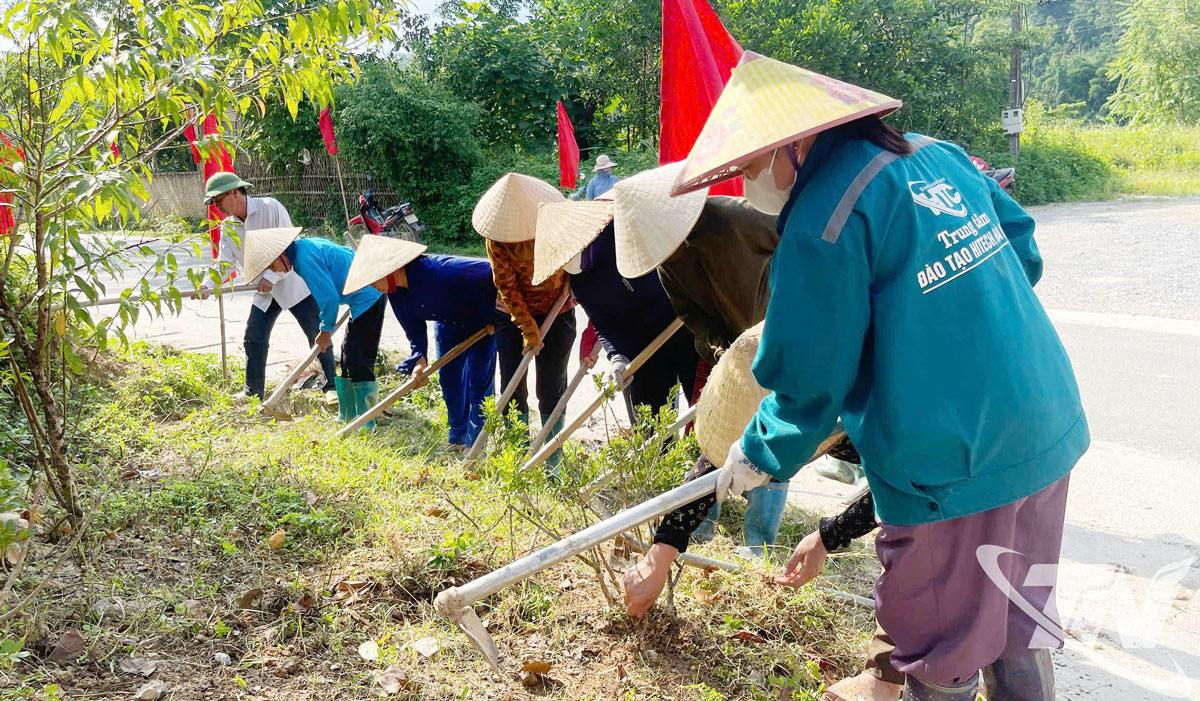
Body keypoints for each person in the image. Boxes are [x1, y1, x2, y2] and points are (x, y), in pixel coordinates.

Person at [674, 52, 1088, 700]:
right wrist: (950, 322)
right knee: (1019, 616)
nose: (749, 181)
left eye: (750, 164)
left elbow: (810, 376)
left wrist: (756, 454)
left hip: (953, 458)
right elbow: (1023, 253)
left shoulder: (823, 219)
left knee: (940, 650)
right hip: (1044, 420)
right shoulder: (939, 155)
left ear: (794, 144)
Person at [610, 162, 790, 556]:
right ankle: (700, 526)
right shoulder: (668, 264)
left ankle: (759, 541)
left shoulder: (736, 217)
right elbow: (692, 314)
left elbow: (800, 245)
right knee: (714, 430)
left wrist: (784, 312)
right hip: (730, 348)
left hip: (779, 335)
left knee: (775, 434)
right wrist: (722, 350)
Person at [533, 200, 698, 418]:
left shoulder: (620, 235)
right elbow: (603, 325)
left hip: (684, 326)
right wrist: (617, 356)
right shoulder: (580, 283)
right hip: (642, 349)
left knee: (705, 411)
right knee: (650, 425)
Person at [342, 235, 507, 449]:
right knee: (449, 381)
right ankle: (458, 439)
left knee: (479, 383)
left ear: (390, 271)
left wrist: (497, 314)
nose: (374, 287)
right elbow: (415, 330)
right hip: (448, 325)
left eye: (374, 281)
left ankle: (476, 445)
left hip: (482, 324)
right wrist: (420, 359)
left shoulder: (440, 271)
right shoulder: (396, 294)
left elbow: (492, 273)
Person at [200, 172, 336, 402]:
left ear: (234, 193)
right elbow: (224, 263)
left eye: (218, 200)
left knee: (317, 333)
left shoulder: (270, 208)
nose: (217, 207)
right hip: (265, 291)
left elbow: (289, 247)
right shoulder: (228, 227)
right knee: (254, 337)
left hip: (294, 283)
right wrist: (207, 284)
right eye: (213, 202)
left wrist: (272, 276)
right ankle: (252, 392)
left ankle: (331, 386)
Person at [473, 173, 577, 463]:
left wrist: (575, 286)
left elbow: (577, 260)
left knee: (551, 386)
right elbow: (506, 286)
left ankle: (551, 458)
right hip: (512, 315)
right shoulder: (497, 239)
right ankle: (517, 455)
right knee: (513, 384)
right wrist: (529, 328)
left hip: (558, 310)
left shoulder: (556, 224)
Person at [242, 227, 387, 428]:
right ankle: (347, 416)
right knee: (348, 358)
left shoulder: (304, 259)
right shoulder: (305, 247)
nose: (275, 271)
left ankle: (365, 421)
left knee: (358, 360)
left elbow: (329, 299)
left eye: (272, 265)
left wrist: (325, 331)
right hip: (360, 298)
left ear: (280, 254)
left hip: (369, 296)